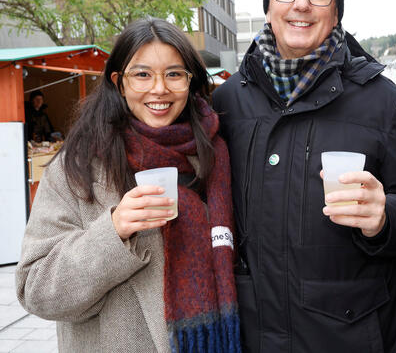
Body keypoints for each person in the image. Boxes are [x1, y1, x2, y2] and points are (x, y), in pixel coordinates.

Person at [212, 0, 396, 353]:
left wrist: (383, 217)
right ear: (270, 5)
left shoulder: (382, 101)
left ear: (337, 10)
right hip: (253, 331)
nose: (301, 4)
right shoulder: (228, 101)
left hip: (351, 333)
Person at [15, 18, 240, 353]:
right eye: (143, 74)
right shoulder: (78, 165)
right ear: (119, 82)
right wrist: (113, 231)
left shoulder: (215, 155)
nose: (159, 88)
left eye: (174, 74)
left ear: (190, 82)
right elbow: (35, 289)